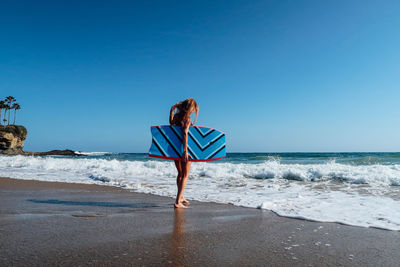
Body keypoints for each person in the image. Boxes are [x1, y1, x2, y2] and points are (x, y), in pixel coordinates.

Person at [169, 98, 199, 209]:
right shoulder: (187, 118)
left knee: (180, 174)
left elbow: (171, 125)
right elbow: (185, 133)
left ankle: (180, 197)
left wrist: (171, 111)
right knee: (185, 176)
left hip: (175, 150)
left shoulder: (177, 117)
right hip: (183, 150)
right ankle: (177, 202)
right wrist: (185, 152)